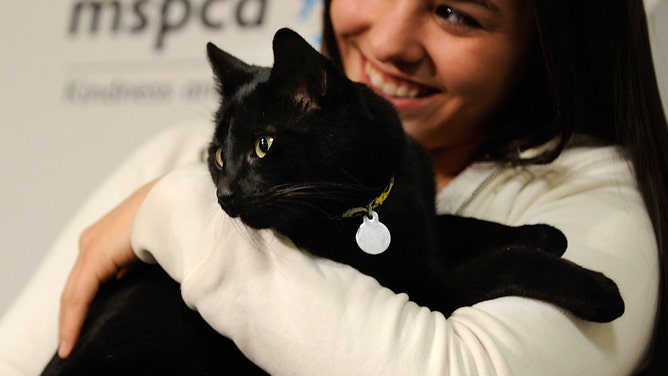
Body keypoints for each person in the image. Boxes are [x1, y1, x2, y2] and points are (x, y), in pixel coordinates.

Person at [1, 0, 666, 374]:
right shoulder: (189, 149)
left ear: (551, 41)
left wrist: (173, 212)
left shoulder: (590, 198)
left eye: (454, 12)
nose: (389, 38)